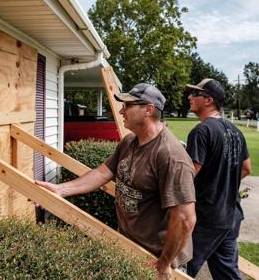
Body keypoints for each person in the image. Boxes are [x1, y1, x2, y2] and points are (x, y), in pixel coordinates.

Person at [36, 83, 196, 279]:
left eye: (127, 106)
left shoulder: (171, 156)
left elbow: (185, 219)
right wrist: (60, 190)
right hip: (130, 247)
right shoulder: (129, 142)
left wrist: (164, 264)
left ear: (148, 109)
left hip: (157, 259)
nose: (121, 110)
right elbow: (102, 174)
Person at [184, 78, 252, 279]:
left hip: (207, 217)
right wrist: (222, 179)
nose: (190, 97)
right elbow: (246, 167)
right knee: (227, 273)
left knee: (178, 267)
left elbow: (188, 176)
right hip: (231, 216)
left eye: (195, 94)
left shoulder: (202, 131)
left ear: (208, 100)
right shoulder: (236, 131)